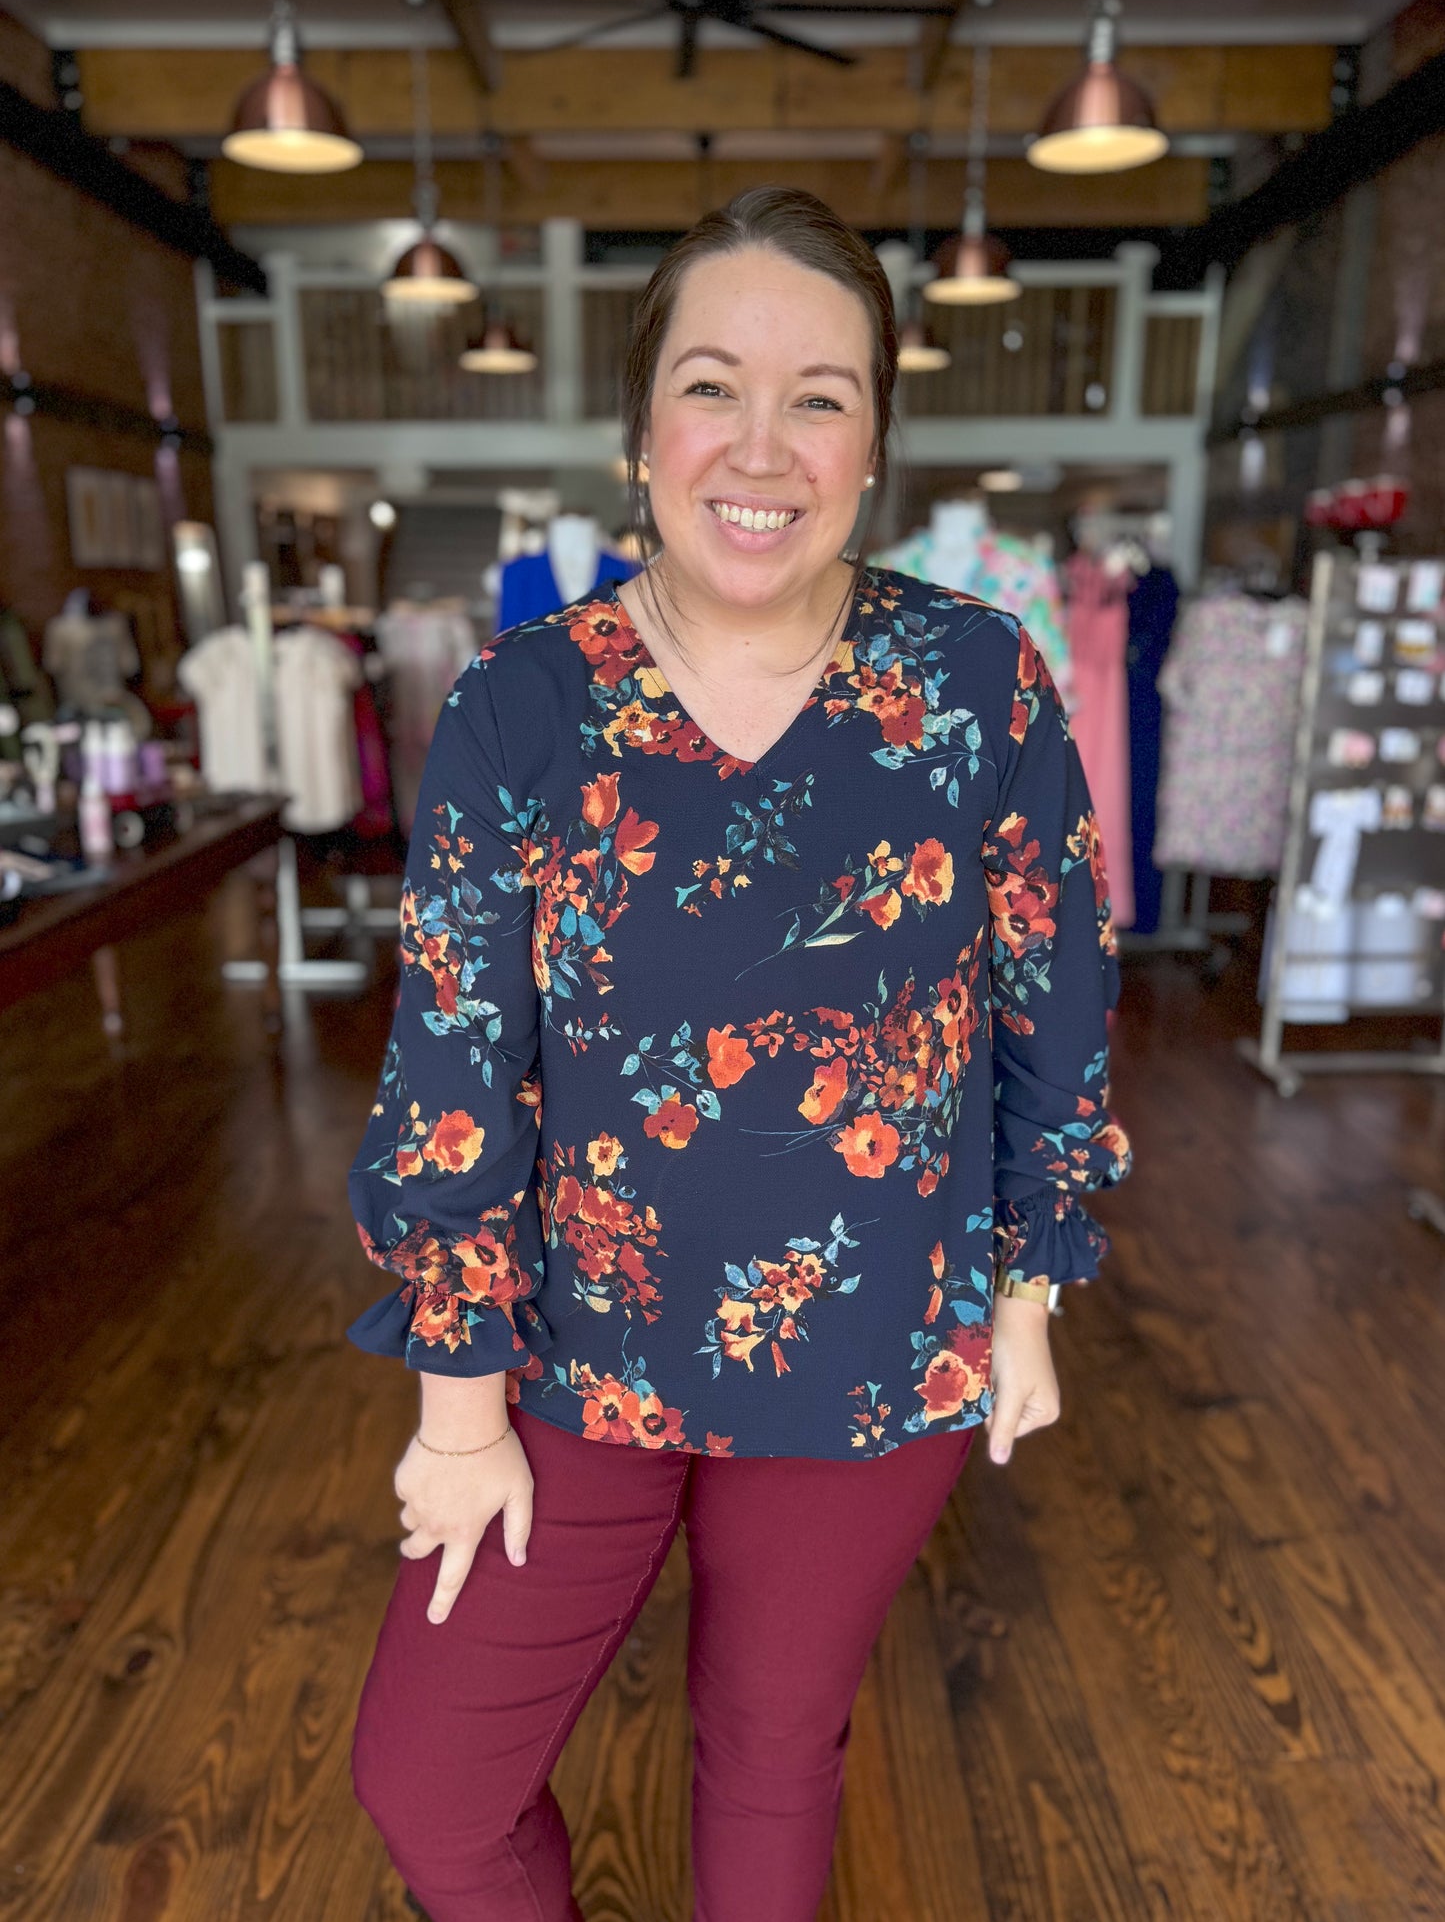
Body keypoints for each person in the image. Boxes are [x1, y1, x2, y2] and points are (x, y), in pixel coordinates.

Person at [345, 186, 1132, 1921]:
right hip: (568, 1369)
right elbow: (455, 1063)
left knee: (773, 1759)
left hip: (870, 1358)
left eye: (820, 395)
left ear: (871, 445)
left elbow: (1049, 1011)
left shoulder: (979, 687)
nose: (758, 445)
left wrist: (1026, 1293)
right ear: (642, 432)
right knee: (429, 1789)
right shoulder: (522, 704)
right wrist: (457, 1409)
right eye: (712, 385)